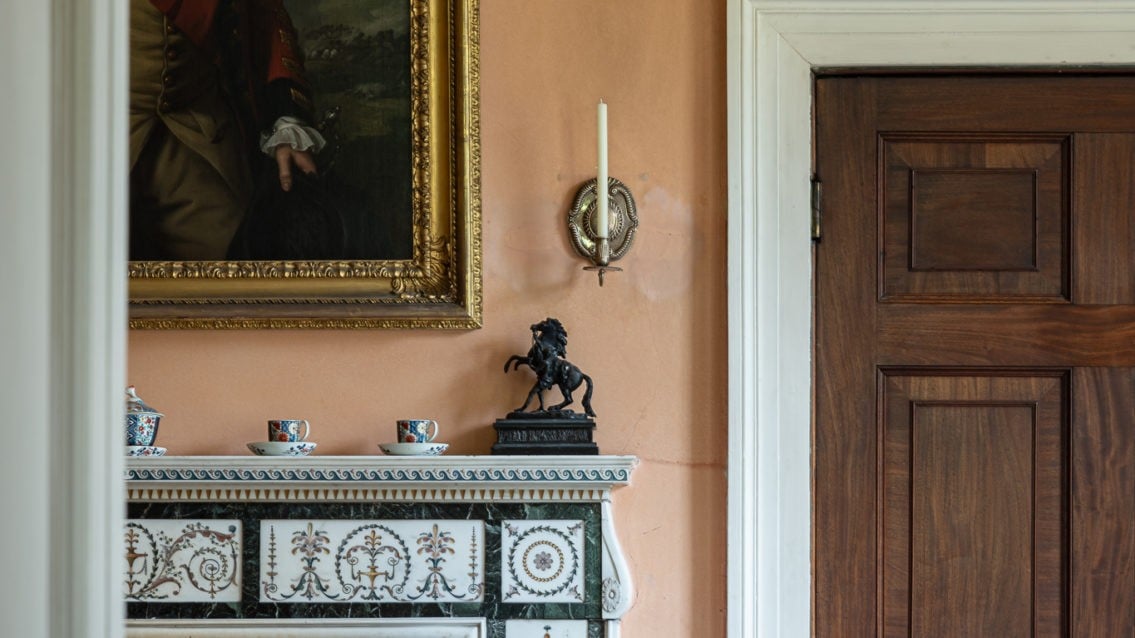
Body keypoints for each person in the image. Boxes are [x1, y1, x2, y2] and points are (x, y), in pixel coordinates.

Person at [129, 0, 325, 261]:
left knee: (237, 260)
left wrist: (285, 116)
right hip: (95, 129)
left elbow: (264, 15)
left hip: (199, 132)